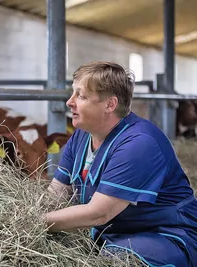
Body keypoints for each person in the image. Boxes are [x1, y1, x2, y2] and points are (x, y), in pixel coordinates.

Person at [44, 61, 197, 267]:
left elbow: (100, 213)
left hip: (166, 235)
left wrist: (37, 223)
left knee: (113, 260)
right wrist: (25, 219)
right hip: (114, 234)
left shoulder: (139, 143)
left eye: (80, 96)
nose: (69, 102)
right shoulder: (81, 136)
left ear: (110, 104)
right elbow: (56, 193)